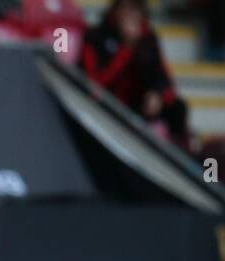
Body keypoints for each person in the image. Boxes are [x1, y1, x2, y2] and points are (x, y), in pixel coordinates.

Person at [82, 0, 192, 151]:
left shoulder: (148, 38)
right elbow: (97, 83)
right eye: (125, 8)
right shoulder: (96, 36)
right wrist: (127, 48)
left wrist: (158, 95)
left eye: (135, 9)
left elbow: (162, 77)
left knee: (178, 108)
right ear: (116, 9)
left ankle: (184, 157)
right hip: (110, 104)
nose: (130, 14)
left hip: (140, 105)